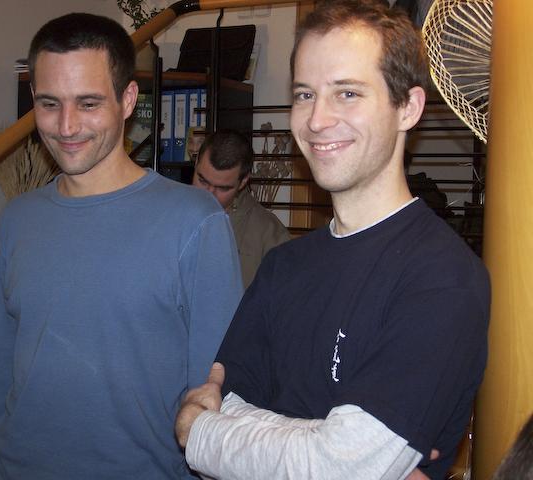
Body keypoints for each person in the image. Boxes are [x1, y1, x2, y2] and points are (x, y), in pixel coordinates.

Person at [175, 1, 490, 479]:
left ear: (408, 107)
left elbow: (336, 466)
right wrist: (321, 444)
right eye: (305, 94)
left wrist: (204, 433)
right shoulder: (282, 266)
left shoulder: (443, 278)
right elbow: (227, 412)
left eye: (347, 93)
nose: (317, 119)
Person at [0, 13, 242, 479]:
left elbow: (214, 393)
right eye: (50, 104)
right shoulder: (16, 220)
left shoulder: (196, 221)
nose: (66, 126)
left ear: (128, 100)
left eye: (88, 103)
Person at [192, 130, 291, 288]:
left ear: (243, 181)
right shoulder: (170, 212)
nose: (209, 194)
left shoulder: (269, 235)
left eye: (222, 188)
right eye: (202, 181)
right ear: (196, 162)